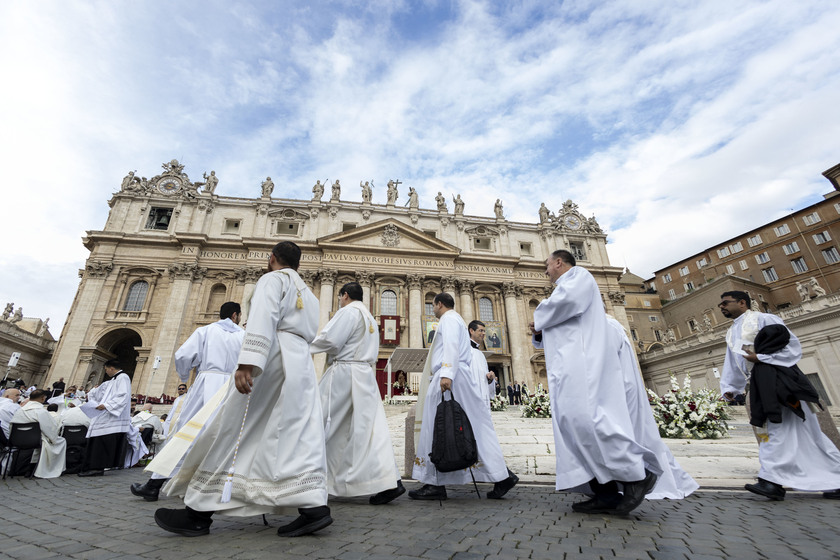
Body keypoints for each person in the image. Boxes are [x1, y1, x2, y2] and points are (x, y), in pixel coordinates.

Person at [154, 241, 331, 538]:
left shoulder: (271, 279)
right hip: (300, 364)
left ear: (272, 258)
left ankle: (198, 512)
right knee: (291, 434)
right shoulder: (309, 294)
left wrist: (248, 362)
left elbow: (262, 319)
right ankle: (313, 506)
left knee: (235, 428)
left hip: (272, 358)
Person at [530, 249, 665, 515]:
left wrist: (539, 316)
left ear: (559, 262)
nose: (545, 271)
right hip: (566, 365)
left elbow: (566, 304)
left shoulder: (579, 276)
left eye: (547, 265)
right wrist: (540, 329)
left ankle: (636, 476)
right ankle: (604, 491)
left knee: (588, 421)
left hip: (581, 364)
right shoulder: (563, 285)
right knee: (571, 425)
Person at [718, 291, 840, 500]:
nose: (721, 307)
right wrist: (731, 388)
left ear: (742, 303)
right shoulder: (731, 332)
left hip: (778, 378)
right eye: (720, 304)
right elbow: (733, 362)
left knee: (777, 430)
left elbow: (791, 345)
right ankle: (830, 480)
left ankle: (771, 482)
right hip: (758, 381)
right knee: (791, 433)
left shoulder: (765, 319)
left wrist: (762, 357)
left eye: (725, 303)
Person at [131, 303, 244, 501]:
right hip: (233, 388)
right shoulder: (243, 336)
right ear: (235, 315)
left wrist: (185, 375)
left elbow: (182, 356)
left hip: (206, 384)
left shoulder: (206, 331)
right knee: (227, 437)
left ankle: (154, 484)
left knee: (186, 434)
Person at [410, 293, 518, 501]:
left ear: (439, 304)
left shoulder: (448, 319)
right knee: (474, 427)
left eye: (433, 306)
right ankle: (501, 475)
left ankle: (435, 484)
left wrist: (447, 374)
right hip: (459, 377)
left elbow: (450, 346)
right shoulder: (457, 319)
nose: (432, 309)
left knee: (438, 426)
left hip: (451, 378)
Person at [310, 282, 404, 504]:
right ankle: (389, 480)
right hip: (365, 375)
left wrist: (303, 345)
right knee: (369, 430)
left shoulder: (348, 312)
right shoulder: (370, 317)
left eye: (340, 297)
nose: (339, 301)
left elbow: (330, 340)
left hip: (345, 373)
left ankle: (314, 478)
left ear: (345, 295)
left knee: (322, 422)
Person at [79, 359, 141, 477]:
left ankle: (97, 468)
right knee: (96, 440)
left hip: (111, 417)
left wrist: (107, 405)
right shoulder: (113, 380)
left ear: (111, 368)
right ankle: (89, 467)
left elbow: (123, 395)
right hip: (105, 415)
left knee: (101, 442)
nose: (106, 372)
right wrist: (93, 392)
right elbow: (99, 393)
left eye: (106, 369)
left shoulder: (123, 377)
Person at [11, 389, 66, 478]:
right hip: (35, 440)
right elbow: (50, 429)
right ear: (43, 398)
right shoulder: (41, 411)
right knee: (62, 441)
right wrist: (53, 438)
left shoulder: (20, 410)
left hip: (16, 439)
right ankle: (54, 468)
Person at [467, 320, 497, 407]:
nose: (483, 333)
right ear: (471, 331)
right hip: (470, 398)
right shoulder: (464, 350)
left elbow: (483, 378)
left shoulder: (480, 354)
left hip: (482, 399)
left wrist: (490, 378)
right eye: (480, 330)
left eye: (484, 331)